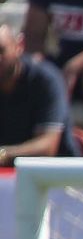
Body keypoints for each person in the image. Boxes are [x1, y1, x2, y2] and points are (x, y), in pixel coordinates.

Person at [0, 24, 69, 166]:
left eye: (1, 51)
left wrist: (3, 154)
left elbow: (47, 147)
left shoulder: (45, 79)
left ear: (19, 46)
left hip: (54, 178)